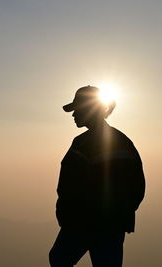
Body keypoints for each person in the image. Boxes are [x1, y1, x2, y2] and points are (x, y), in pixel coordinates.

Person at [49, 85, 145, 267]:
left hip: (82, 224)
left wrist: (70, 217)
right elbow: (137, 186)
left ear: (89, 109)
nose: (73, 114)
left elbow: (70, 186)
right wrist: (121, 215)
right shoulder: (123, 141)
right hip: (113, 226)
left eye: (77, 109)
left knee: (59, 259)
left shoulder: (82, 144)